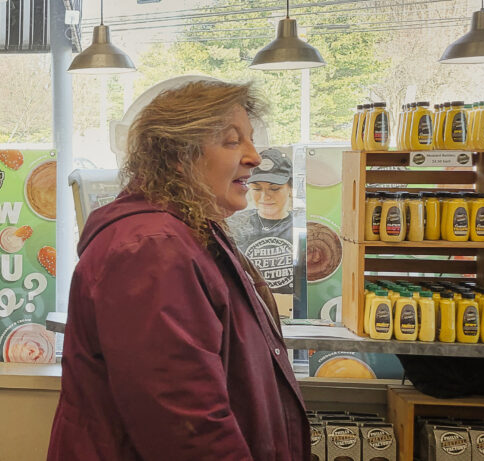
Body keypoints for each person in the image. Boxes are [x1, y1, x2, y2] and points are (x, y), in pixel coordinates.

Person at [47, 80, 309, 460]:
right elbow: (187, 428)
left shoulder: (189, 232)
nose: (255, 156)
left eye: (250, 139)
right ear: (177, 156)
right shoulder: (152, 248)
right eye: (232, 141)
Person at [226, 148, 301, 312]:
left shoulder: (301, 226)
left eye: (274, 189)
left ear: (290, 189)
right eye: (257, 189)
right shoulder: (235, 224)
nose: (265, 196)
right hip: (246, 312)